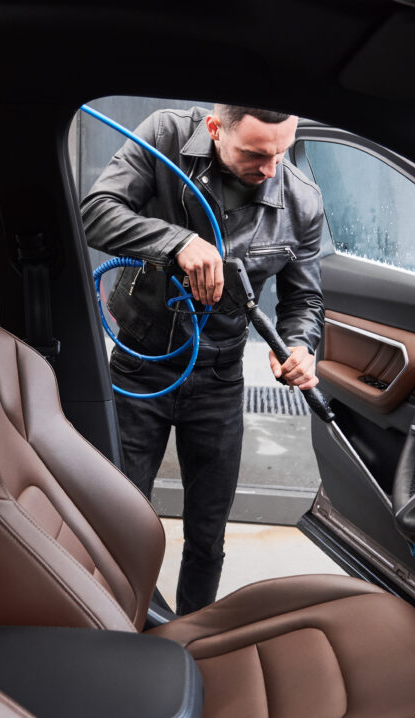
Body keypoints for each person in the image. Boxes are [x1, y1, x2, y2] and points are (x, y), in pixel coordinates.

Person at [81, 103, 325, 614]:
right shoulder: (165, 136)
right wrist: (177, 241)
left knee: (208, 535)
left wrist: (301, 345)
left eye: (281, 153)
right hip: (141, 363)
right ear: (215, 130)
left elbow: (304, 301)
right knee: (114, 521)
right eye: (255, 154)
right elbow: (95, 212)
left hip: (219, 377)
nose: (270, 169)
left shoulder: (302, 202)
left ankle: (191, 635)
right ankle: (122, 628)